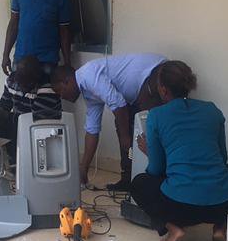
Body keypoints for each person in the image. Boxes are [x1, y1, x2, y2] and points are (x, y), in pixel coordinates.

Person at [129, 61, 228, 241]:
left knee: (139, 183)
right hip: (223, 204)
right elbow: (223, 159)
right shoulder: (212, 110)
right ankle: (220, 228)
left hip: (179, 209)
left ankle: (174, 230)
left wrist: (150, 152)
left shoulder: (156, 116)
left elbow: (156, 170)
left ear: (163, 91)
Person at [50, 53, 167, 188]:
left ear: (66, 81)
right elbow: (92, 130)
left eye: (60, 91)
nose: (62, 97)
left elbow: (118, 104)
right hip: (141, 87)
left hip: (154, 73)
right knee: (124, 124)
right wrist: (84, 168)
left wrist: (125, 138)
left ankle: (159, 179)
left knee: (147, 127)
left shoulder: (88, 76)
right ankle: (129, 180)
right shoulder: (88, 93)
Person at [2, 0, 72, 77]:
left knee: (45, 96)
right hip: (21, 60)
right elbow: (13, 25)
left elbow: (64, 31)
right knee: (18, 96)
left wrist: (67, 63)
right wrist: (5, 55)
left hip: (47, 62)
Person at [0, 55, 63, 162]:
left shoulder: (47, 89)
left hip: (42, 129)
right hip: (18, 122)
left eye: (27, 84)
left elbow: (35, 121)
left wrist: (6, 115)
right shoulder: (12, 80)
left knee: (18, 130)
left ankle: (18, 163)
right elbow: (3, 106)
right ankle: (1, 166)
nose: (22, 88)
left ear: (36, 78)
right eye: (19, 82)